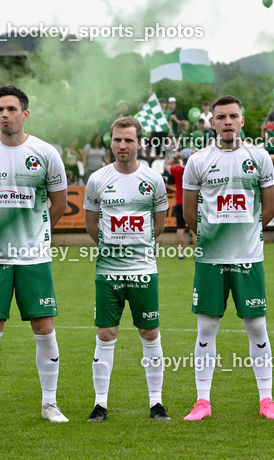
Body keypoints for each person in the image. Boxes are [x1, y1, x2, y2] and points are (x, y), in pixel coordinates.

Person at [0, 85, 68, 424]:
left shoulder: (46, 153)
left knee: (44, 326)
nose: (4, 114)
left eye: (11, 109)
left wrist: (38, 234)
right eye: (0, 109)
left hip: (33, 258)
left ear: (25, 114)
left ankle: (50, 404)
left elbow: (60, 204)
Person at [182, 95, 274, 421]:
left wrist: (245, 234)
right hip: (210, 258)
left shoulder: (260, 157)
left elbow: (268, 210)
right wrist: (214, 237)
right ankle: (202, 402)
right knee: (207, 328)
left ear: (243, 120)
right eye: (221, 117)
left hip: (248, 259)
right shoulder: (198, 161)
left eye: (233, 116)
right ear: (211, 122)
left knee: (257, 327)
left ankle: (267, 400)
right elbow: (188, 213)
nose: (227, 122)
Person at [83, 117, 171, 422]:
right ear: (111, 141)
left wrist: (137, 248)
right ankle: (100, 404)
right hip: (108, 271)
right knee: (106, 333)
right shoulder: (97, 180)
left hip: (143, 269)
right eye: (117, 139)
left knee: (149, 332)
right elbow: (91, 224)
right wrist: (112, 248)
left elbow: (158, 224)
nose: (122, 145)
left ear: (139, 143)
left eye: (129, 140)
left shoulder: (153, 180)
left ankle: (157, 403)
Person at [168, 150, 193, 259]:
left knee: (180, 229)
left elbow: (166, 165)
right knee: (194, 229)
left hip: (180, 202)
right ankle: (197, 253)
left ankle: (181, 253)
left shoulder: (177, 169)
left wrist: (175, 156)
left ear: (181, 159)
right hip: (192, 201)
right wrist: (194, 152)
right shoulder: (194, 169)